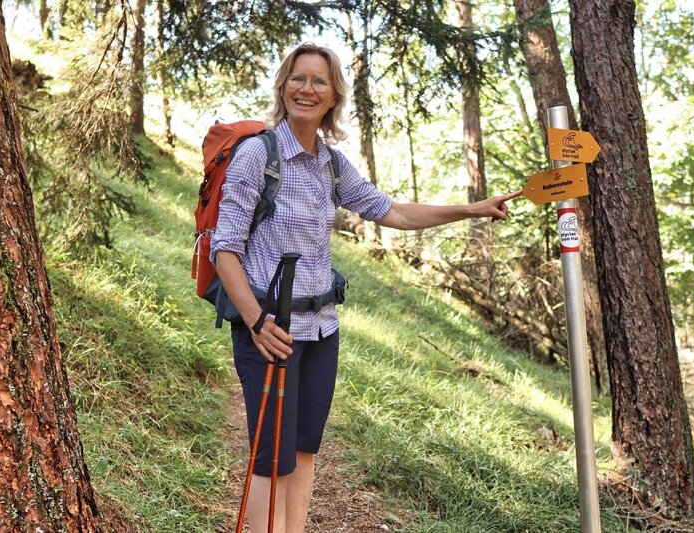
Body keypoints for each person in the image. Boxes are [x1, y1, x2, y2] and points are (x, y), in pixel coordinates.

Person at [210, 42, 520, 533]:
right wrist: (256, 321)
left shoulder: (329, 164)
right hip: (271, 331)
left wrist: (472, 209)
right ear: (283, 86)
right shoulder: (257, 155)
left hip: (322, 330)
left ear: (333, 96)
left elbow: (392, 211)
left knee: (305, 451)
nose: (306, 89)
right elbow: (224, 248)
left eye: (318, 81)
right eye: (297, 77)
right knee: (271, 462)